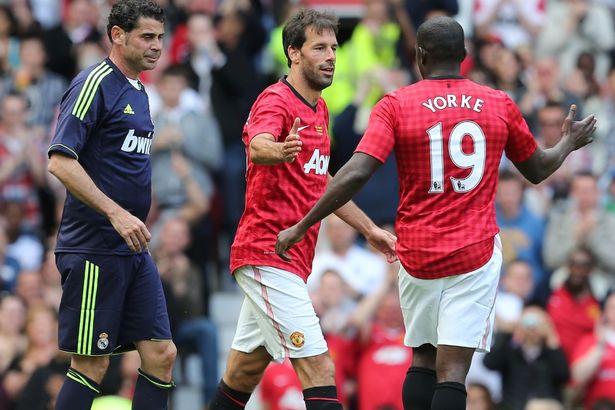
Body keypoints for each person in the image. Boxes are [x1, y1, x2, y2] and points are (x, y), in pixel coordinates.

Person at [276, 16, 596, 410]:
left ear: (420, 57)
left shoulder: (395, 104)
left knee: (423, 358)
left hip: (417, 253)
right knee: (453, 370)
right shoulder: (499, 102)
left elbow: (356, 171)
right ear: (463, 57)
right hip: (474, 253)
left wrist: (303, 224)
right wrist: (567, 142)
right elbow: (537, 169)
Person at [209, 8, 396, 410]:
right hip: (267, 253)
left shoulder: (320, 109)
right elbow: (258, 144)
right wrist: (279, 150)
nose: (331, 56)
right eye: (319, 48)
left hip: (292, 260)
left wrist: (368, 230)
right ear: (293, 53)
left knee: (242, 374)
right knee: (319, 368)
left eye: (333, 47)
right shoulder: (275, 99)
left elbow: (320, 182)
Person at [46, 1, 177, 409]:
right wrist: (117, 212)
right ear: (117, 35)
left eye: (160, 37)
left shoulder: (140, 91)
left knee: (162, 354)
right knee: (91, 365)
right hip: (93, 247)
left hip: (132, 246)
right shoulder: (95, 83)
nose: (157, 46)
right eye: (147, 37)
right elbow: (60, 161)